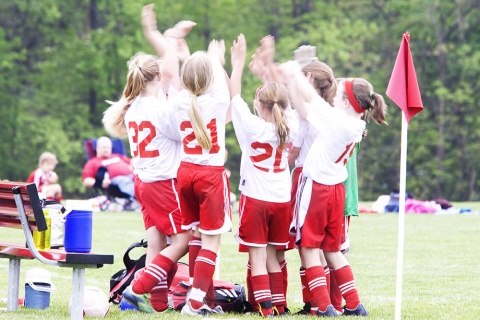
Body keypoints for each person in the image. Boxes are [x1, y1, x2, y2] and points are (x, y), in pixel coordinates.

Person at [258, 35, 371, 316]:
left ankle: (323, 307)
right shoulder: (352, 124)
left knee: (308, 248)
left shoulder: (336, 120)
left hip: (317, 187)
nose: (335, 97)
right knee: (331, 251)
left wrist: (297, 71)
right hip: (335, 190)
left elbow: (310, 102)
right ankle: (354, 305)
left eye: (340, 96)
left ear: (346, 103)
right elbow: (308, 108)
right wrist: (296, 77)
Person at [102, 5, 194, 313]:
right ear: (159, 78)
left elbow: (167, 74)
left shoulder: (134, 107)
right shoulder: (159, 109)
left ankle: (157, 303)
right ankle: (137, 287)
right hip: (163, 182)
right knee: (183, 239)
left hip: (143, 181)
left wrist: (166, 40)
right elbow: (184, 136)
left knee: (156, 242)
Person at [230, 34, 294, 317]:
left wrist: (238, 62)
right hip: (282, 199)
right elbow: (280, 96)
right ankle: (279, 305)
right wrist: (268, 60)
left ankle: (266, 309)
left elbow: (233, 96)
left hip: (256, 198)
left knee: (257, 256)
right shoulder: (290, 124)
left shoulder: (252, 127)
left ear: (260, 105)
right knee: (273, 256)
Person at [172, 39, 232, 316]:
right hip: (209, 175)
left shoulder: (178, 100)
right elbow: (219, 85)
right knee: (212, 241)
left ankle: (204, 299)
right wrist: (217, 60)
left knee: (196, 235)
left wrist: (189, 60)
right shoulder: (217, 101)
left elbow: (191, 84)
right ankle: (195, 302)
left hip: (185, 172)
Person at [82, 136, 138, 209]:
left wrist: (133, 164)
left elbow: (132, 161)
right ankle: (141, 197)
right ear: (97, 148)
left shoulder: (118, 156)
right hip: (116, 182)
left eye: (108, 147)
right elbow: (86, 180)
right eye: (104, 147)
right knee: (125, 181)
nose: (106, 150)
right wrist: (101, 183)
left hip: (133, 177)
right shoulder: (92, 162)